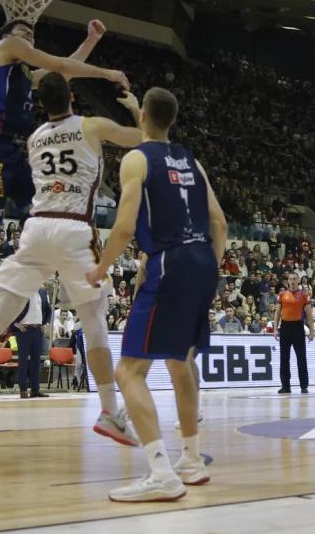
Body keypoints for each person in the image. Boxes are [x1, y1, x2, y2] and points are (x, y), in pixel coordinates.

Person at [0, 74, 142, 448]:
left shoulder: (35, 137)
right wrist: (137, 109)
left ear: (42, 105)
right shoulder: (93, 125)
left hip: (37, 226)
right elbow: (143, 139)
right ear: (73, 97)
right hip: (74, 227)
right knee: (94, 325)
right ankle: (110, 412)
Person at [0, 19, 127, 349]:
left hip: (14, 153)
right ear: (7, 37)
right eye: (24, 33)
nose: (28, 38)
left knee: (56, 210)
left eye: (32, 34)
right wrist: (107, 74)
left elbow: (60, 75)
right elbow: (56, 63)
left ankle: (74, 284)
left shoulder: (24, 77)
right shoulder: (3, 50)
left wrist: (90, 41)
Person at [86, 87, 225, 502]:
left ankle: (162, 473)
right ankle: (192, 460)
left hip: (170, 262)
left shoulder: (135, 158)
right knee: (181, 362)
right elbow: (219, 223)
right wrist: (208, 269)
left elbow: (126, 227)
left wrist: (101, 267)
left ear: (142, 116)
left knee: (128, 372)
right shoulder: (193, 161)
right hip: (203, 261)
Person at [275, 271, 314, 394]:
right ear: (288, 281)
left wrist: (312, 331)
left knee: (301, 358)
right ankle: (285, 386)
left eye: (294, 279)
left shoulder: (304, 295)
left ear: (298, 281)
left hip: (298, 327)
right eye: (290, 279)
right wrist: (275, 328)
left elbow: (309, 314)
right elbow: (277, 313)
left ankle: (304, 386)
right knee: (284, 358)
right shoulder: (282, 294)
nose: (292, 281)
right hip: (285, 327)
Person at [12, 287, 51, 399]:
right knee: (23, 360)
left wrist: (47, 324)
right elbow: (10, 309)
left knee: (36, 361)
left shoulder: (42, 292)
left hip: (38, 329)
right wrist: (15, 323)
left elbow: (48, 310)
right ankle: (23, 390)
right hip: (24, 329)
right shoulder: (21, 291)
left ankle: (35, 389)